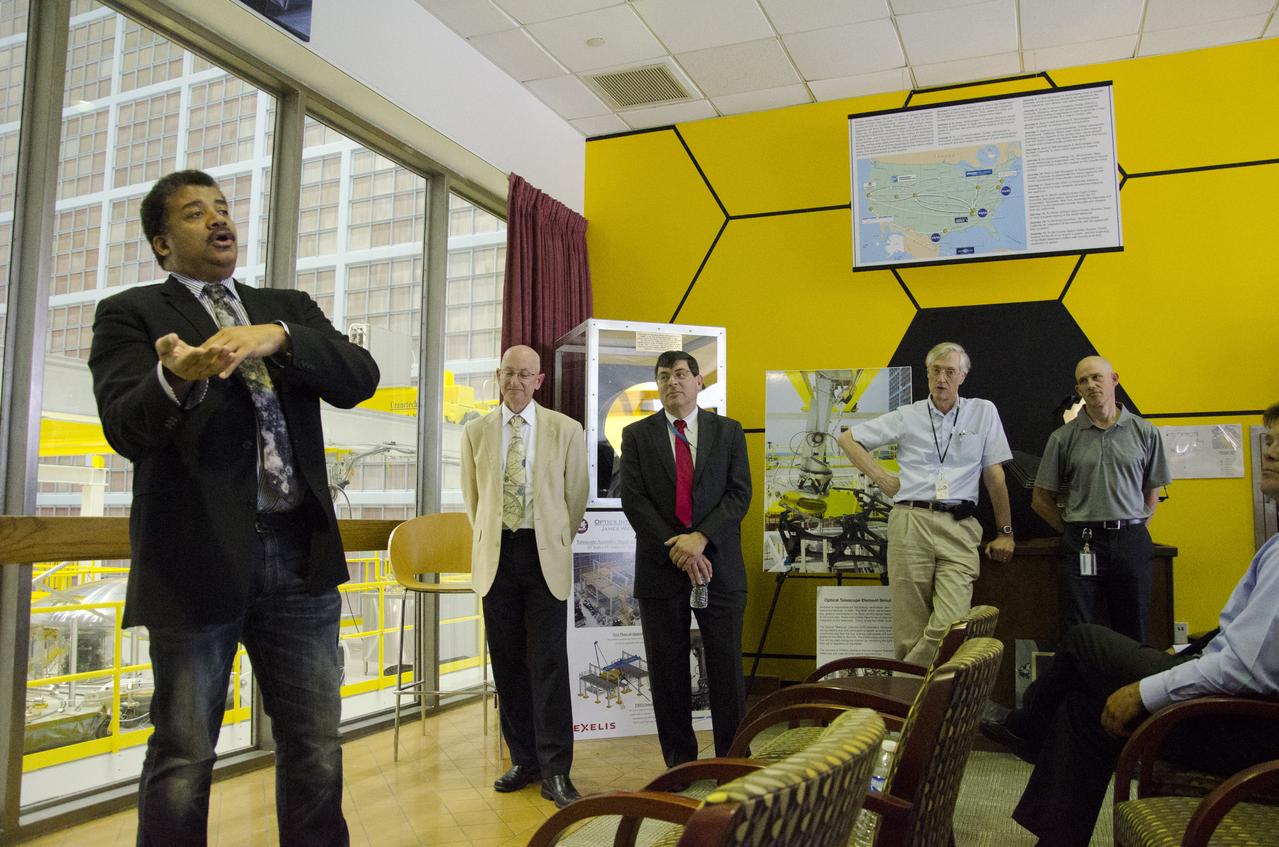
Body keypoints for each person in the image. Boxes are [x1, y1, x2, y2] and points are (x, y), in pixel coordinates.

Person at [88, 170, 379, 846]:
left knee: (314, 746)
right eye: (194, 213)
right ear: (162, 243)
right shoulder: (131, 313)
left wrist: (275, 335)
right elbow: (125, 428)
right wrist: (176, 377)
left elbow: (358, 376)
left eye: (222, 207)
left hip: (299, 554)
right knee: (185, 754)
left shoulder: (284, 306)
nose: (218, 219)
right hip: (196, 559)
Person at [982, 402, 1279, 847]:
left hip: (1244, 725)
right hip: (1231, 702)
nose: (1268, 452)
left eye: (1277, 442)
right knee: (1085, 706)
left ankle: (1026, 728)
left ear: (1113, 383)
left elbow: (1246, 670)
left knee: (1084, 640)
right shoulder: (1065, 438)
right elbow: (1243, 648)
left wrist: (1146, 691)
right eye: (1268, 440)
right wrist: (1182, 658)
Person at [459, 345, 589, 807]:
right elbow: (475, 501)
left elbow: (575, 497)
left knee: (550, 664)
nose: (515, 381)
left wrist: (553, 537)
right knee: (508, 663)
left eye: (525, 374)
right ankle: (524, 759)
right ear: (498, 376)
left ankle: (557, 771)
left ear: (539, 381)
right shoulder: (475, 432)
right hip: (498, 557)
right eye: (508, 373)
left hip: (544, 556)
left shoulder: (565, 429)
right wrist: (496, 537)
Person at [836, 342, 1015, 665]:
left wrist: (1005, 531)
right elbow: (848, 439)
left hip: (959, 525)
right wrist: (882, 478)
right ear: (927, 374)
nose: (942, 378)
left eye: (950, 371)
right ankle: (916, 709)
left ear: (963, 376)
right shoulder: (909, 415)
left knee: (952, 624)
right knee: (909, 627)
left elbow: (995, 477)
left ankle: (905, 684)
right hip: (911, 520)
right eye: (935, 371)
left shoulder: (982, 411)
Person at [620, 350, 751, 767]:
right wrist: (679, 547)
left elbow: (738, 495)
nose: (672, 382)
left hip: (720, 564)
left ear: (699, 382)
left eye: (680, 374)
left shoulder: (728, 431)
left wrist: (700, 538)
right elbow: (634, 501)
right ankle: (680, 765)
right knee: (667, 670)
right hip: (662, 567)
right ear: (657, 387)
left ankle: (732, 763)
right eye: (664, 376)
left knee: (726, 668)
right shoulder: (637, 436)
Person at [1032, 355, 1172, 641]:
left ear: (1114, 379)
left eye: (1097, 377)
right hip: (1082, 541)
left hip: (1131, 541)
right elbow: (1040, 499)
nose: (1091, 385)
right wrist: (1072, 529)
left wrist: (1133, 526)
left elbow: (1152, 491)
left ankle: (1129, 687)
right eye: (1083, 381)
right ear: (1078, 390)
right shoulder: (1063, 437)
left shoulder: (1145, 433)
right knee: (1078, 631)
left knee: (1133, 628)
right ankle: (1082, 687)